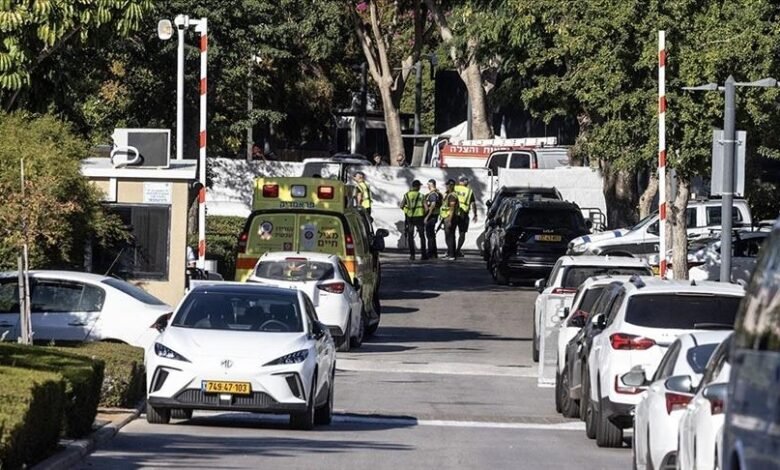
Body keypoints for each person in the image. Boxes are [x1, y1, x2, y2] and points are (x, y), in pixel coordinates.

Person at [400, 180, 427, 260]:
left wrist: (407, 211)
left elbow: (401, 205)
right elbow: (426, 208)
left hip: (410, 217)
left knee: (410, 236)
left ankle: (412, 255)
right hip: (419, 217)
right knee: (422, 236)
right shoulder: (421, 195)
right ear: (418, 187)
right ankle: (423, 255)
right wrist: (424, 214)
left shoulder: (406, 195)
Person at [453, 175, 477, 257]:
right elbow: (473, 204)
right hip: (463, 214)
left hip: (453, 212)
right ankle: (457, 250)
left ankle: (451, 250)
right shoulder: (469, 191)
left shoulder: (454, 188)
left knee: (451, 232)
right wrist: (475, 214)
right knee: (462, 233)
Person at [440, 179, 460, 260]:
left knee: (450, 237)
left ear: (450, 186)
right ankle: (450, 253)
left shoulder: (452, 196)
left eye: (447, 185)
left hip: (450, 217)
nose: (446, 186)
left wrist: (449, 220)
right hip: (448, 217)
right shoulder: (449, 194)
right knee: (450, 236)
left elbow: (452, 208)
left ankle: (451, 255)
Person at [423, 179, 442, 259]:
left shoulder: (433, 194)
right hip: (434, 215)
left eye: (428, 185)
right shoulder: (437, 193)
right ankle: (434, 253)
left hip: (432, 216)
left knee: (430, 235)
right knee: (432, 235)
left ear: (431, 185)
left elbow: (433, 205)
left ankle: (431, 253)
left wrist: (427, 217)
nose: (427, 186)